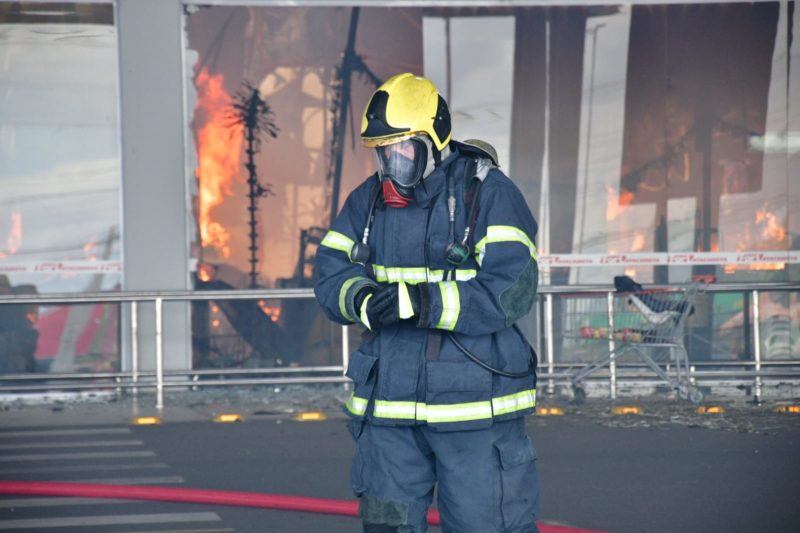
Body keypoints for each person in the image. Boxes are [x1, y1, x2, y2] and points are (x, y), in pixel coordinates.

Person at [314, 72, 540, 533]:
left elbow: (512, 287)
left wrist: (424, 302)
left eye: (403, 150)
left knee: (486, 527)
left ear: (434, 141)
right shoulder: (368, 204)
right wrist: (360, 299)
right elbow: (330, 271)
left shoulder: (489, 194)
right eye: (384, 152)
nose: (391, 164)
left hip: (474, 413)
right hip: (390, 414)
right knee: (388, 526)